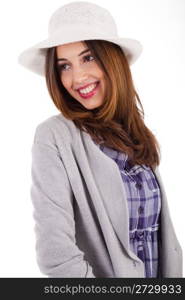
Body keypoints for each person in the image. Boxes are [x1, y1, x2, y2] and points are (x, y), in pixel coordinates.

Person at [18, 1, 183, 278]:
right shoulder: (54, 137)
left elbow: (163, 241)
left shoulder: (136, 133)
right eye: (64, 66)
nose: (77, 77)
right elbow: (55, 256)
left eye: (88, 57)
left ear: (112, 60)